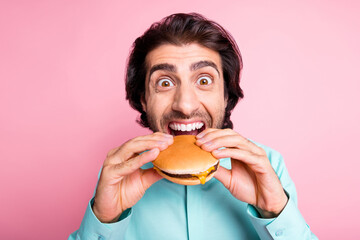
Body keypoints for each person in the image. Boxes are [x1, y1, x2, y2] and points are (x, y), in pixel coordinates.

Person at [69, 13, 318, 240]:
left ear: (225, 95)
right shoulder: (119, 175)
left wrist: (273, 210)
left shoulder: (267, 166)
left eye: (204, 80)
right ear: (144, 99)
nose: (185, 105)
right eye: (165, 83)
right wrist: (104, 220)